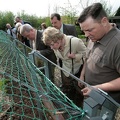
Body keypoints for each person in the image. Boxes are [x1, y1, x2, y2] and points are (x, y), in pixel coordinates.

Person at [77, 2, 120, 104]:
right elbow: (87, 58)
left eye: (89, 30)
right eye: (84, 31)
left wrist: (98, 88)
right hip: (91, 93)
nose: (86, 35)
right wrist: (82, 75)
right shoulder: (94, 37)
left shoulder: (117, 43)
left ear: (104, 21)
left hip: (105, 101)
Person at [42, 26, 86, 106]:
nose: (51, 48)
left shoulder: (75, 42)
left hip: (78, 73)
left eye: (52, 44)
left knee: (79, 96)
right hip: (66, 72)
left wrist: (76, 56)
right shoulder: (55, 47)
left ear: (58, 39)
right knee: (69, 94)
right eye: (49, 46)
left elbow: (88, 57)